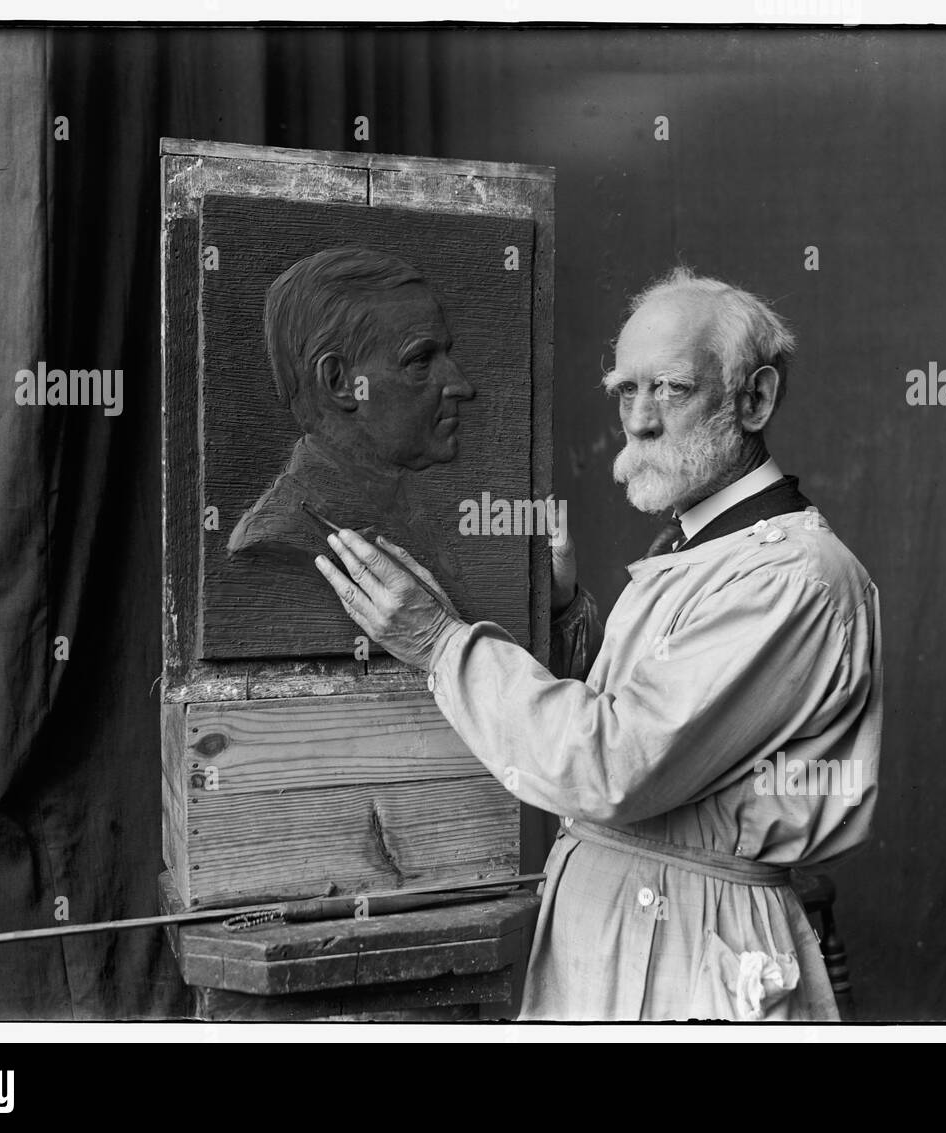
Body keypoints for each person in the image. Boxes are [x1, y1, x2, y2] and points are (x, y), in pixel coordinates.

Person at [315, 267, 883, 1021]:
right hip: (633, 931)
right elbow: (661, 723)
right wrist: (565, 614)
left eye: (672, 389)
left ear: (756, 399)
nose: (639, 419)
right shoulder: (710, 547)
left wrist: (441, 643)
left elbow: (614, 763)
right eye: (626, 389)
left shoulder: (790, 577)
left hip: (689, 950)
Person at [229, 246, 474, 607]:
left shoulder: (412, 515)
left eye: (445, 355)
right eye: (420, 359)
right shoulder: (277, 543)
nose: (461, 386)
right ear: (338, 381)